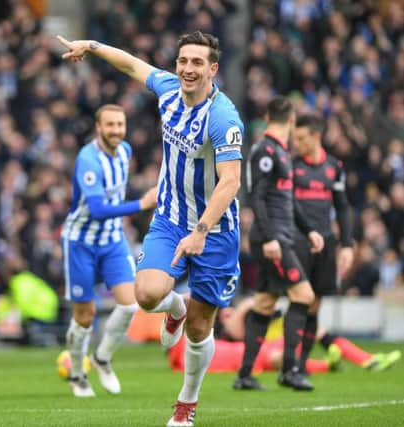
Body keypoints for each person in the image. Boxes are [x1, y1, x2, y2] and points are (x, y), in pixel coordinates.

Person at [58, 30, 243, 427]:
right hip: (171, 219)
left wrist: (203, 230)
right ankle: (174, 306)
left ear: (212, 69)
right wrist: (91, 47)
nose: (187, 69)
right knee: (146, 295)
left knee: (200, 326)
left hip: (216, 230)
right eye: (182, 61)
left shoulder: (223, 117)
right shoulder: (169, 89)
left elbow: (230, 181)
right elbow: (130, 63)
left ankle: (186, 404)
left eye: (197, 63)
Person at [60, 104, 157, 397]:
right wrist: (141, 204)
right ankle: (78, 375)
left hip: (113, 240)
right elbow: (98, 209)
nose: (116, 130)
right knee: (85, 316)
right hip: (81, 242)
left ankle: (102, 357)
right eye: (110, 125)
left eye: (120, 125)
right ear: (98, 128)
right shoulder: (88, 160)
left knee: (130, 305)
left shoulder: (125, 151)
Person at [234, 97, 324, 392]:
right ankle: (289, 370)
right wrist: (271, 236)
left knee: (264, 303)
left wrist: (308, 229)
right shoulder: (266, 150)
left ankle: (245, 375)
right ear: (292, 119)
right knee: (304, 295)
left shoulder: (281, 151)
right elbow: (257, 196)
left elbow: (288, 199)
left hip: (280, 236)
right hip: (272, 239)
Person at [170, 297, 401, 374]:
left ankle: (365, 359)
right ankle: (327, 364)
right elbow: (237, 329)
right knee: (280, 357)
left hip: (257, 348)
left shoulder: (207, 334)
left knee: (313, 330)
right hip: (254, 352)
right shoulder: (217, 330)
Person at [291, 113, 355, 376]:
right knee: (298, 300)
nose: (297, 143)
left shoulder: (334, 167)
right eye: (295, 138)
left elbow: (342, 207)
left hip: (326, 243)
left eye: (302, 138)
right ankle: (288, 361)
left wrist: (347, 244)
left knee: (315, 304)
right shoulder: (292, 166)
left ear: (317, 136)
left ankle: (301, 363)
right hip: (297, 242)